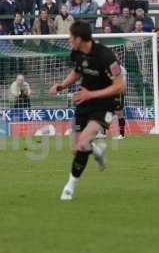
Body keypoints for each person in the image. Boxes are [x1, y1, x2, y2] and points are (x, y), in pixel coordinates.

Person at [48, 21, 124, 200]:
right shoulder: (76, 53)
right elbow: (77, 72)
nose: (68, 40)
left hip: (104, 104)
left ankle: (69, 187)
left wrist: (92, 94)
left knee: (82, 144)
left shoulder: (106, 56)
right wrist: (62, 85)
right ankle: (96, 151)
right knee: (77, 149)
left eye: (70, 37)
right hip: (84, 101)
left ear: (79, 39)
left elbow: (120, 86)